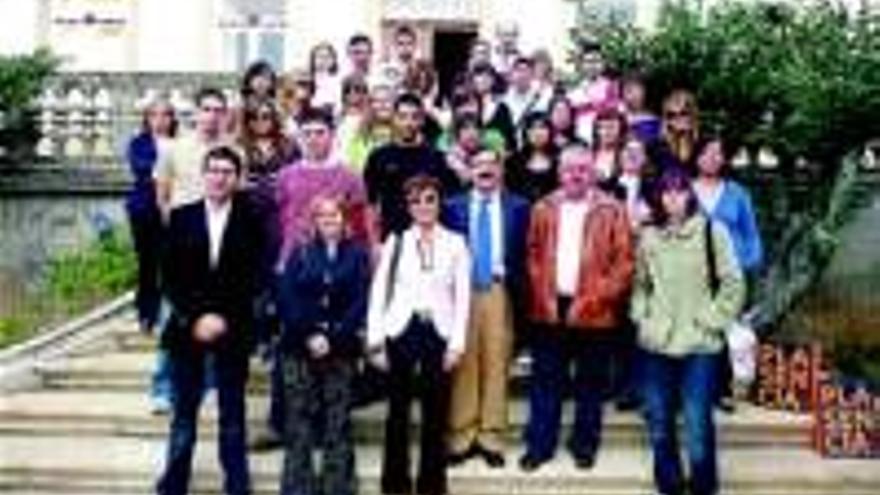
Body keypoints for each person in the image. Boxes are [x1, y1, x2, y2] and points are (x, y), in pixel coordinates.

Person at [156, 146, 264, 495]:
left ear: (237, 178)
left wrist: (223, 317)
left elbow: (255, 278)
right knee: (184, 414)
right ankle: (175, 481)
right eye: (213, 170)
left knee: (232, 414)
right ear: (203, 176)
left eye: (226, 172)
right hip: (188, 329)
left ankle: (237, 483)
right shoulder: (182, 216)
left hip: (233, 328)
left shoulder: (251, 218)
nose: (219, 177)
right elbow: (169, 277)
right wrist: (196, 317)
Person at [520, 144, 634, 472]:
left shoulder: (612, 209)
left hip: (595, 308)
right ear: (559, 172)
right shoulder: (543, 208)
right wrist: (543, 292)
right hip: (551, 308)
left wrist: (595, 298)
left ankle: (585, 445)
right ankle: (539, 446)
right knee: (546, 381)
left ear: (593, 173)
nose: (576, 175)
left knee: (590, 383)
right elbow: (532, 254)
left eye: (583, 168)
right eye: (569, 168)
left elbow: (624, 264)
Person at [631, 169, 745, 495]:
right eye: (666, 192)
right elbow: (640, 286)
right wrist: (642, 318)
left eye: (679, 191)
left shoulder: (712, 232)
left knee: (697, 424)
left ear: (689, 195)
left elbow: (733, 284)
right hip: (657, 343)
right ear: (659, 198)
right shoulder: (650, 237)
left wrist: (711, 321)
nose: (673, 198)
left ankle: (703, 486)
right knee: (659, 422)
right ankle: (669, 484)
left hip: (699, 345)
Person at [367, 175, 471, 495]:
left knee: (435, 413)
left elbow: (463, 297)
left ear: (439, 203)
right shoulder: (396, 241)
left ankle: (431, 485)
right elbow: (378, 293)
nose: (423, 206)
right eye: (416, 201)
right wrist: (375, 342)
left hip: (437, 331)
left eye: (430, 199)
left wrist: (456, 344)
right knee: (397, 412)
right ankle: (395, 484)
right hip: (401, 329)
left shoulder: (455, 242)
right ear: (408, 206)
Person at [443, 147, 530, 468]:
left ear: (501, 170)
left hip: (499, 290)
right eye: (478, 164)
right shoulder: (452, 206)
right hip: (461, 292)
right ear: (469, 170)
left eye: (491, 164)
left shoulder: (519, 207)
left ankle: (491, 436)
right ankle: (462, 435)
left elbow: (526, 253)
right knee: (464, 363)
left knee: (496, 361)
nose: (485, 169)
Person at [277, 196, 370, 495]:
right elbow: (288, 298)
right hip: (299, 347)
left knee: (338, 421)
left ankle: (338, 485)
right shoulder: (300, 252)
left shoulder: (357, 254)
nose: (329, 220)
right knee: (299, 421)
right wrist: (311, 334)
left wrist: (335, 336)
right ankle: (298, 486)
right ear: (314, 221)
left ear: (344, 220)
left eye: (335, 215)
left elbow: (360, 301)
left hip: (340, 349)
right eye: (323, 216)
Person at [126, 97, 178, 414]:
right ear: (147, 118)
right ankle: (146, 313)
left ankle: (161, 310)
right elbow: (143, 170)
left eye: (166, 115)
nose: (160, 119)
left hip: (172, 210)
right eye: (155, 115)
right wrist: (165, 167)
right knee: (147, 263)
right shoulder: (139, 143)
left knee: (168, 265)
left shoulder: (178, 142)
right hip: (145, 210)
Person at [364, 93, 460, 238]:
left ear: (422, 120)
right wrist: (373, 242)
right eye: (402, 117)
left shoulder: (436, 157)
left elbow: (448, 201)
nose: (408, 123)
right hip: (392, 239)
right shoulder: (378, 157)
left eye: (414, 117)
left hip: (431, 238)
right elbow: (370, 205)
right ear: (393, 119)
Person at [154, 87, 232, 220]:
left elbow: (239, 192)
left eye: (218, 111)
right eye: (206, 109)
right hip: (184, 225)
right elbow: (162, 195)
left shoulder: (235, 151)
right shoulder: (173, 148)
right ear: (196, 112)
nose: (212, 116)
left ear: (224, 115)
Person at [567, 42, 620, 145]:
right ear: (582, 65)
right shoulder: (574, 91)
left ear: (603, 64)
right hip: (580, 142)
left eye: (596, 61)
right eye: (588, 62)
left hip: (604, 142)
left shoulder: (611, 87)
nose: (593, 66)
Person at [505, 112, 559, 203]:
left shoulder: (559, 159)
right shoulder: (513, 161)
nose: (538, 132)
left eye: (542, 127)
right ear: (526, 132)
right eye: (532, 128)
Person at [651, 89, 700, 174]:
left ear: (692, 114)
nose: (677, 118)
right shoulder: (657, 147)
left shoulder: (703, 145)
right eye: (671, 115)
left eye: (683, 113)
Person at [471, 63, 516, 152]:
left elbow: (510, 142)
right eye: (479, 75)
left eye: (487, 76)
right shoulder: (465, 105)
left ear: (493, 80)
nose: (483, 79)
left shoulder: (502, 108)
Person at [504, 57, 547, 131]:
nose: (522, 75)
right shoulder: (505, 101)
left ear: (532, 75)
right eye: (518, 71)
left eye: (526, 71)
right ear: (512, 75)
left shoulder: (541, 99)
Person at [621, 72, 661, 144]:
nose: (632, 96)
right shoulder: (620, 116)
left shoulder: (654, 121)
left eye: (639, 90)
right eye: (628, 91)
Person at [309, 42, 343, 114]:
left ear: (333, 60)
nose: (324, 60)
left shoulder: (338, 81)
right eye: (320, 56)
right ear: (313, 59)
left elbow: (339, 105)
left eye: (327, 57)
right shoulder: (307, 80)